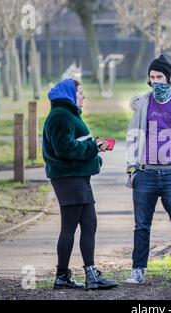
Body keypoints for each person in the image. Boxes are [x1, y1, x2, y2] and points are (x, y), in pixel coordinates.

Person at [125, 54, 171, 285]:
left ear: (168, 78)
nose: (155, 80)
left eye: (159, 76)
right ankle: (138, 270)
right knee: (141, 226)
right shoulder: (143, 103)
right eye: (151, 76)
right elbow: (134, 137)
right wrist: (133, 170)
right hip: (146, 173)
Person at [43, 78, 118, 290]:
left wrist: (95, 150)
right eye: (81, 93)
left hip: (77, 179)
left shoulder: (69, 115)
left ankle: (90, 274)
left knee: (89, 224)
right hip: (69, 179)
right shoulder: (60, 116)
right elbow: (64, 148)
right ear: (70, 94)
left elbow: (79, 144)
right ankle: (63, 276)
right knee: (69, 227)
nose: (83, 97)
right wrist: (93, 148)